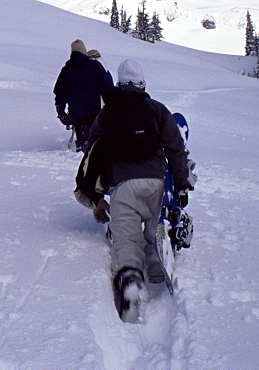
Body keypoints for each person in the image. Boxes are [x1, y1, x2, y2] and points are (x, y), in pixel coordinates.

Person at [85, 58, 192, 322]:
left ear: (119, 83)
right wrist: (181, 184)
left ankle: (129, 278)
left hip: (122, 185)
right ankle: (157, 268)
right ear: (143, 84)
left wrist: (96, 196)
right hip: (155, 181)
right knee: (154, 226)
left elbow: (92, 153)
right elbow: (175, 148)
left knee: (126, 239)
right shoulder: (156, 109)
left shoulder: (107, 113)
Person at [53, 39, 114, 152]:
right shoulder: (95, 66)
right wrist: (111, 107)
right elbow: (107, 87)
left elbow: (60, 92)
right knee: (96, 141)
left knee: (82, 141)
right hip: (95, 111)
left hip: (77, 113)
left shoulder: (67, 70)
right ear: (84, 51)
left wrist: (60, 110)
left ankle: (81, 154)